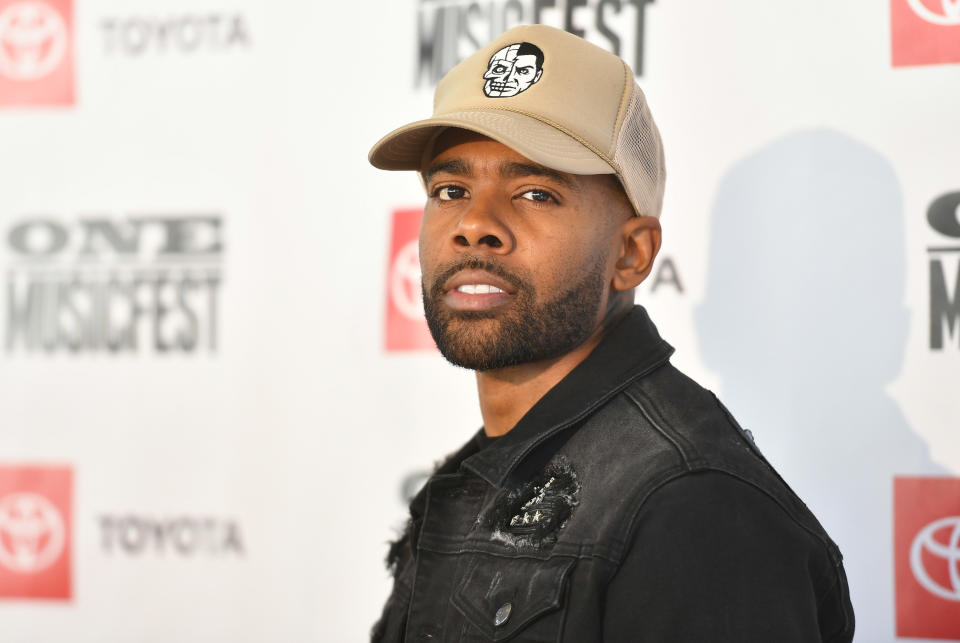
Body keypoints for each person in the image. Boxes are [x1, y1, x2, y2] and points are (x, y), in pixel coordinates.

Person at [367, 24, 854, 642]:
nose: (474, 224)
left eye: (535, 193)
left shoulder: (693, 510)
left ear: (632, 253)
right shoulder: (477, 472)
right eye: (451, 189)